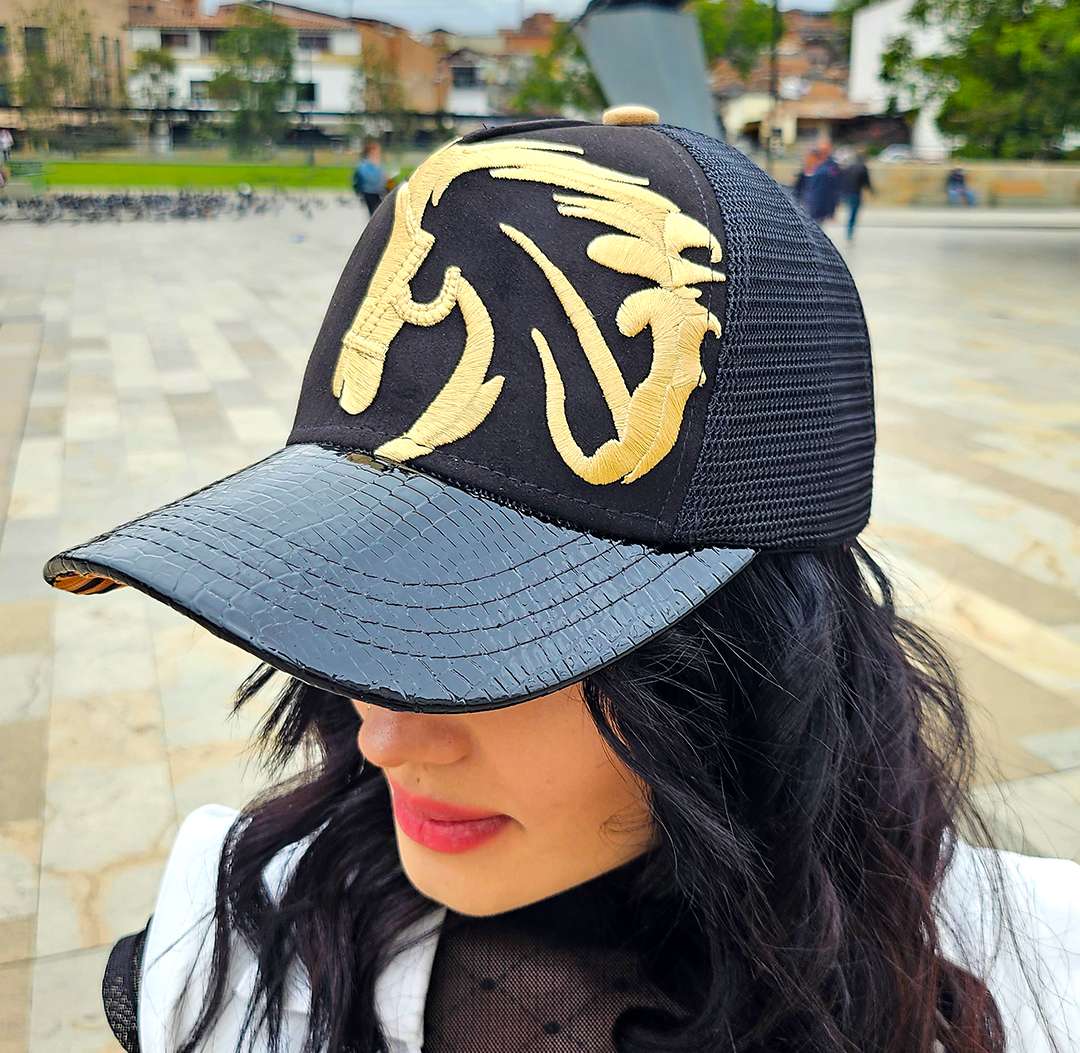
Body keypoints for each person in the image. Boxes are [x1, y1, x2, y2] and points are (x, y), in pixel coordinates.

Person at [46, 110, 1079, 1053]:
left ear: (757, 657)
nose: (384, 736)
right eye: (357, 612)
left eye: (487, 638)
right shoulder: (228, 960)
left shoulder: (1039, 975)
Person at [842, 147, 874, 240]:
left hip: (848, 192)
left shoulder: (849, 167)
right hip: (856, 192)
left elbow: (843, 179)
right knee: (853, 213)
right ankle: (850, 232)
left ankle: (848, 231)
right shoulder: (862, 167)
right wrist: (871, 191)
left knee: (850, 211)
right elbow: (867, 181)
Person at [353, 139, 387, 217]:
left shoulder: (379, 164)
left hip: (379, 191)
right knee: (375, 213)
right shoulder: (364, 164)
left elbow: (381, 176)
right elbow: (367, 177)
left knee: (379, 213)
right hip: (369, 191)